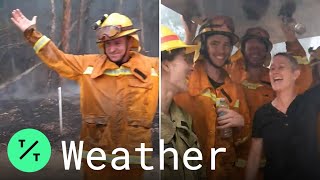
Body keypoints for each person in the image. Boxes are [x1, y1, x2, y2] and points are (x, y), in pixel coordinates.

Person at [11, 9, 159, 180]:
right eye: (107, 44)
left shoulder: (152, 68)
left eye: (117, 43)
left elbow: (175, 74)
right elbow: (58, 59)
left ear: (130, 41)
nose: (112, 49)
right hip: (96, 156)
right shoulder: (88, 66)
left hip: (132, 157)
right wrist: (32, 34)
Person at [175, 16, 250, 179]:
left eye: (226, 45)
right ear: (203, 46)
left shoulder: (236, 89)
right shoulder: (185, 80)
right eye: (215, 43)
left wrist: (242, 124)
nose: (221, 51)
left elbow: (244, 142)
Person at [245, 52, 320, 180]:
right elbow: (254, 157)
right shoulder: (262, 113)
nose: (275, 71)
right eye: (272, 68)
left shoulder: (310, 102)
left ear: (295, 74)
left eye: (281, 67)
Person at [160, 25, 201, 180]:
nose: (191, 68)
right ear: (166, 65)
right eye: (185, 60)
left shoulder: (184, 119)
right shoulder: (140, 120)